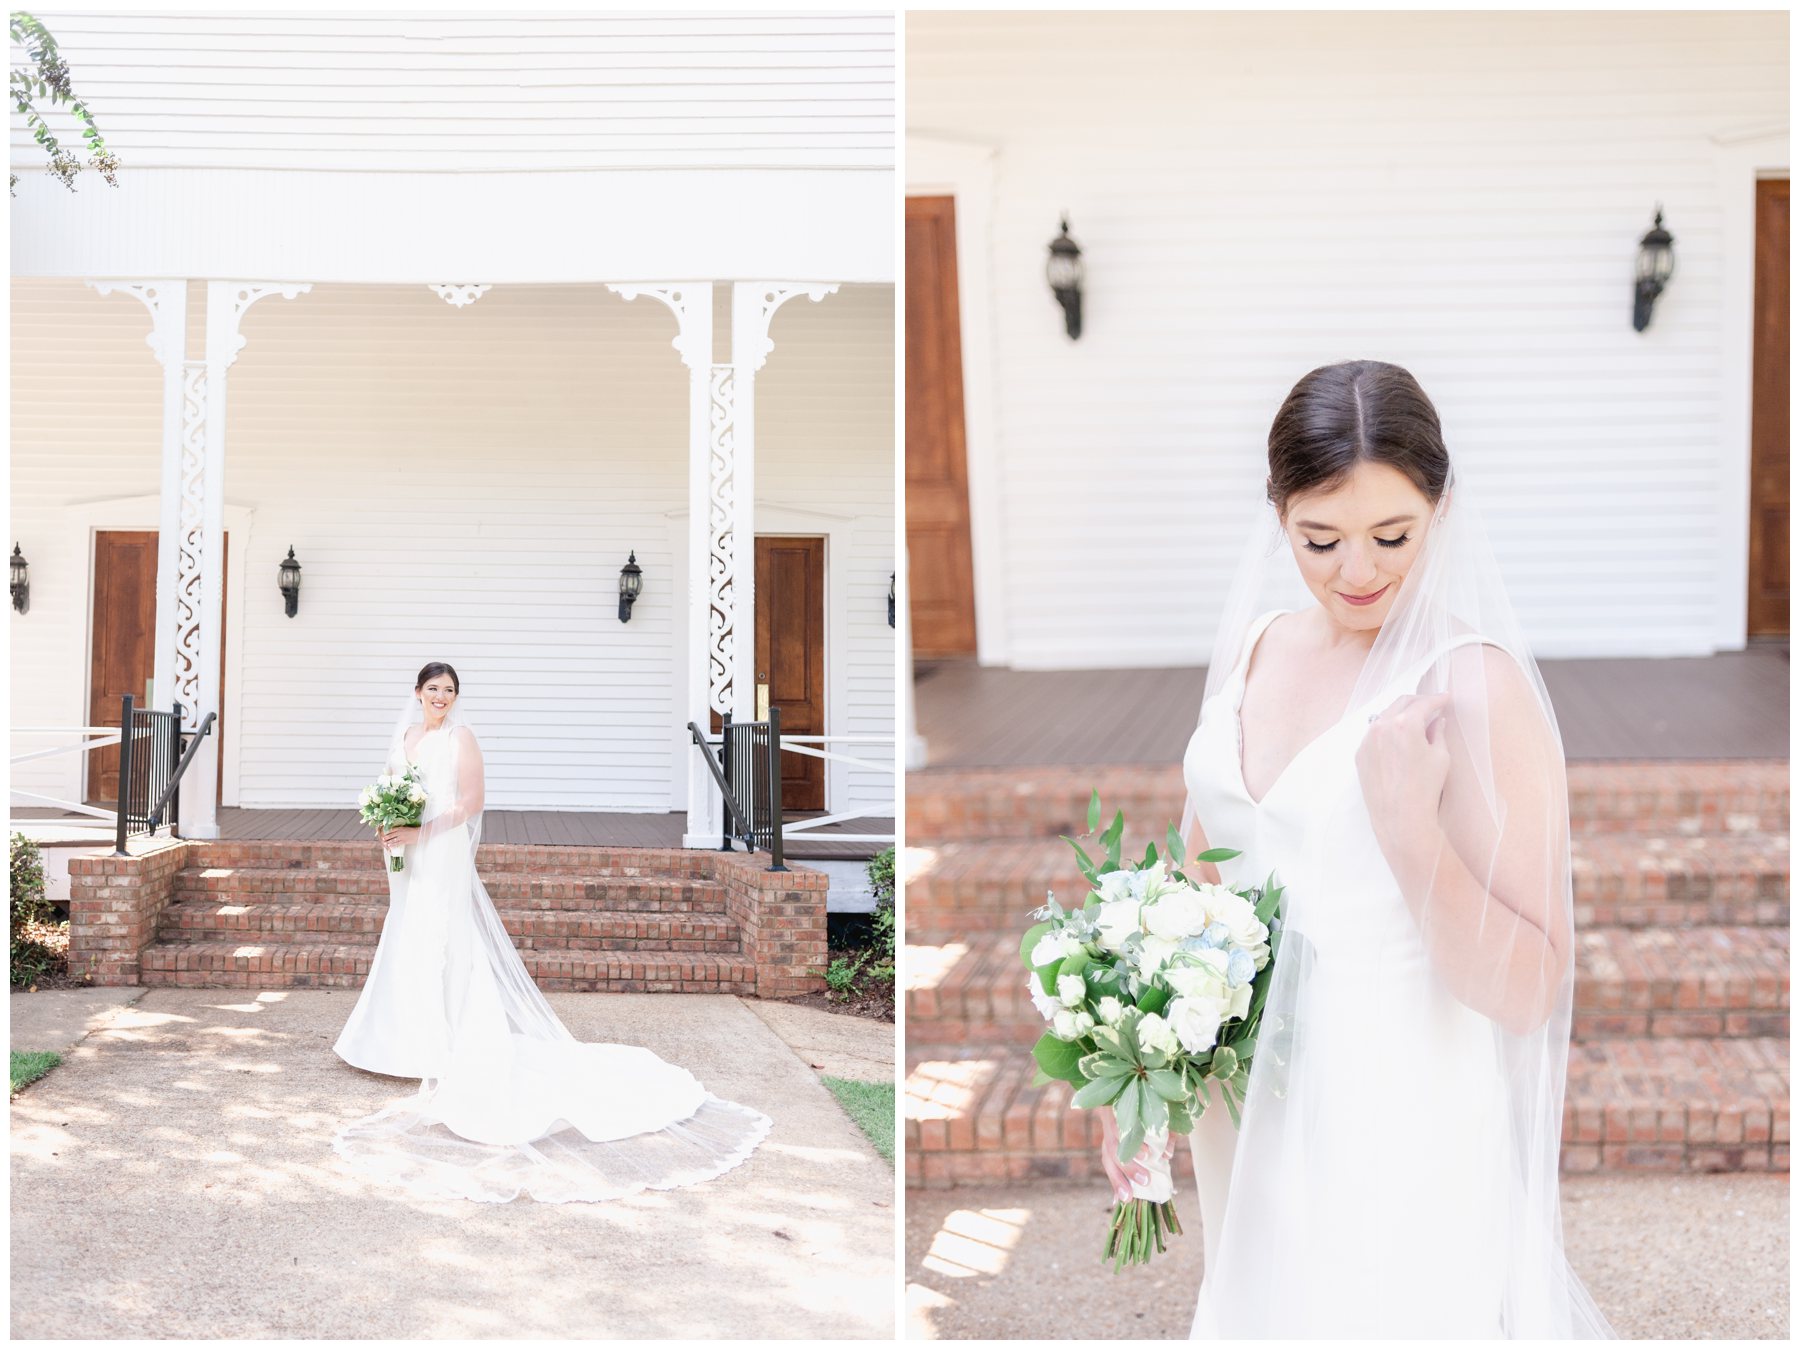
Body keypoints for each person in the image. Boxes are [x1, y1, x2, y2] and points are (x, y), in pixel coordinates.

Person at [1102, 361, 1613, 1336]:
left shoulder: (1475, 689)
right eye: (1320, 540)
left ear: (1442, 510)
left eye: (1393, 536)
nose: (1358, 572)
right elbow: (1192, 885)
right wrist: (1137, 1067)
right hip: (1247, 1107)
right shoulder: (1259, 648)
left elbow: (1529, 987)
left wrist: (1413, 835)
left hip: (1395, 1112)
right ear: (1280, 516)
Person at [331, 661, 771, 1204]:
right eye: (432, 689)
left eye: (449, 690)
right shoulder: (405, 735)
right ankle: (394, 1040)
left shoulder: (461, 739)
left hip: (439, 850)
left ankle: (439, 1043)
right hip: (404, 853)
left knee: (440, 937)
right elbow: (393, 786)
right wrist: (389, 824)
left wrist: (422, 829)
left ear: (455, 697)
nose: (440, 697)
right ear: (416, 693)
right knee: (405, 933)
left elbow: (471, 803)